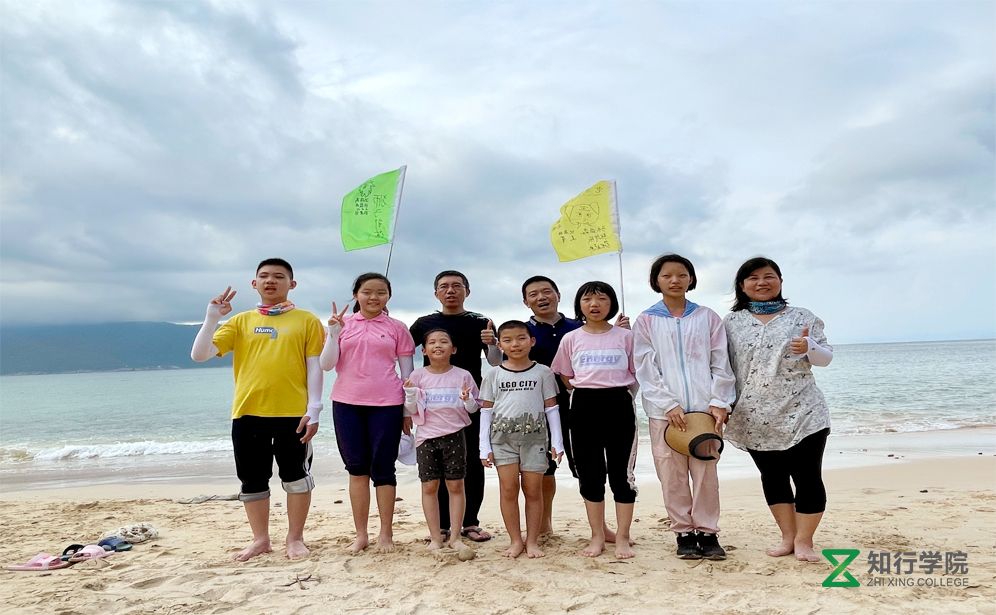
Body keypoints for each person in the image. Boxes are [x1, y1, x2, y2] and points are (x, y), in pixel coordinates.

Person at [190, 258, 324, 561]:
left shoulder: (306, 320)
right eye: (264, 276)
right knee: (252, 480)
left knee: (296, 477)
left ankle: (295, 538)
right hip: (248, 413)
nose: (270, 281)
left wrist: (314, 409)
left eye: (279, 276)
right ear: (254, 283)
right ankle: (260, 539)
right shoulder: (240, 321)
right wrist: (212, 317)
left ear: (292, 284)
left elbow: (314, 366)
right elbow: (200, 355)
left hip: (293, 413)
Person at [722, 257, 834, 563]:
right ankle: (787, 537)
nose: (761, 283)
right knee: (773, 477)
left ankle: (804, 541)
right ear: (742, 286)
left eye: (769, 276)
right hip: (753, 415)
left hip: (804, 412)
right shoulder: (730, 323)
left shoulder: (802, 316)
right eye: (753, 278)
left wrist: (809, 346)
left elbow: (825, 358)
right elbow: (721, 366)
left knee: (808, 476)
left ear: (780, 281)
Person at [633, 254, 736, 561]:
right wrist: (668, 404)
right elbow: (645, 366)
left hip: (704, 412)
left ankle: (707, 531)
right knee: (672, 474)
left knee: (706, 473)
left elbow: (721, 361)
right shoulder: (646, 320)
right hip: (664, 414)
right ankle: (683, 533)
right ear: (656, 281)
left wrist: (719, 401)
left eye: (681, 274)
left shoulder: (707, 317)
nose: (675, 280)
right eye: (667, 276)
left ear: (691, 278)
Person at [522, 275, 630, 537]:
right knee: (543, 466)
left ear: (559, 295)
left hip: (578, 402)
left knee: (587, 467)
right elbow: (506, 360)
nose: (541, 297)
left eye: (547, 291)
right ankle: (544, 525)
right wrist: (492, 345)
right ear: (526, 301)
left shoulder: (576, 327)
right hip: (539, 406)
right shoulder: (524, 331)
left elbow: (613, 353)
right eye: (533, 294)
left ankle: (602, 528)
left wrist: (619, 329)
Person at [320, 272, 415, 554]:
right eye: (367, 292)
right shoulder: (342, 324)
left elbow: (407, 373)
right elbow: (327, 365)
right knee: (357, 469)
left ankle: (386, 533)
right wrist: (334, 333)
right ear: (356, 294)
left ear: (388, 296)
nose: (374, 297)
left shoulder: (397, 328)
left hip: (387, 404)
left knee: (384, 470)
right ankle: (361, 534)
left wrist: (408, 410)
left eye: (381, 292)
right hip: (347, 404)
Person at [410, 270, 501, 543]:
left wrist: (493, 343)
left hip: (469, 401)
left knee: (472, 462)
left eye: (457, 286)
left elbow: (495, 361)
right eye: (444, 286)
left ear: (467, 291)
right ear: (436, 292)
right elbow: (402, 353)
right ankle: (441, 526)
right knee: (435, 467)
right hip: (433, 406)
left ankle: (470, 523)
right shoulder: (423, 323)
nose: (450, 290)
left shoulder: (480, 322)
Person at [551, 281, 638, 559]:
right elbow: (564, 375)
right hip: (584, 405)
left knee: (621, 476)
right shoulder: (571, 338)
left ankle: (622, 537)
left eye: (601, 298)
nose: (595, 304)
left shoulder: (626, 337)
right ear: (580, 305)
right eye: (588, 299)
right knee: (590, 475)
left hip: (619, 404)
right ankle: (598, 536)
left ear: (611, 303)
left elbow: (638, 374)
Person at [479, 320, 563, 558]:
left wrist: (557, 442)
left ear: (531, 341)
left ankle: (533, 541)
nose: (515, 344)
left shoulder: (543, 372)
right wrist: (484, 447)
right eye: (507, 340)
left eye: (521, 338)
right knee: (508, 489)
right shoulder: (493, 374)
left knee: (533, 490)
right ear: (500, 345)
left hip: (535, 441)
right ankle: (516, 540)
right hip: (502, 440)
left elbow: (551, 409)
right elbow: (486, 411)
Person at [402, 329, 480, 551]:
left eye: (444, 341)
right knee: (429, 486)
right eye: (432, 342)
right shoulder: (418, 376)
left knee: (456, 485)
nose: (438, 345)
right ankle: (436, 537)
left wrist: (467, 400)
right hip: (426, 437)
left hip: (455, 436)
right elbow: (412, 408)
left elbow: (474, 408)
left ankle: (455, 536)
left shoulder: (463, 375)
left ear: (453, 349)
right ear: (424, 350)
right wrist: (409, 394)